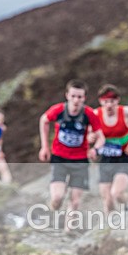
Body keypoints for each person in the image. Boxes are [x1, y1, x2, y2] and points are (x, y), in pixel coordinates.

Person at [38, 79, 105, 218]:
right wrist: (44, 146)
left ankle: (69, 230)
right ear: (67, 95)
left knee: (75, 201)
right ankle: (53, 212)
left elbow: (101, 137)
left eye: (79, 97)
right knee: (57, 197)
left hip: (80, 160)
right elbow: (44, 120)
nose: (76, 100)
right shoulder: (58, 110)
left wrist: (95, 150)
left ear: (84, 98)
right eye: (73, 96)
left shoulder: (89, 114)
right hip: (59, 158)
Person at [92, 84, 128, 214]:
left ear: (117, 101)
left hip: (124, 157)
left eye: (112, 101)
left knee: (116, 193)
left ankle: (126, 207)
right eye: (106, 102)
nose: (109, 105)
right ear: (101, 101)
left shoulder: (126, 111)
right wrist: (90, 138)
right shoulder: (95, 114)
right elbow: (88, 131)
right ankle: (109, 228)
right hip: (106, 158)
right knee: (107, 199)